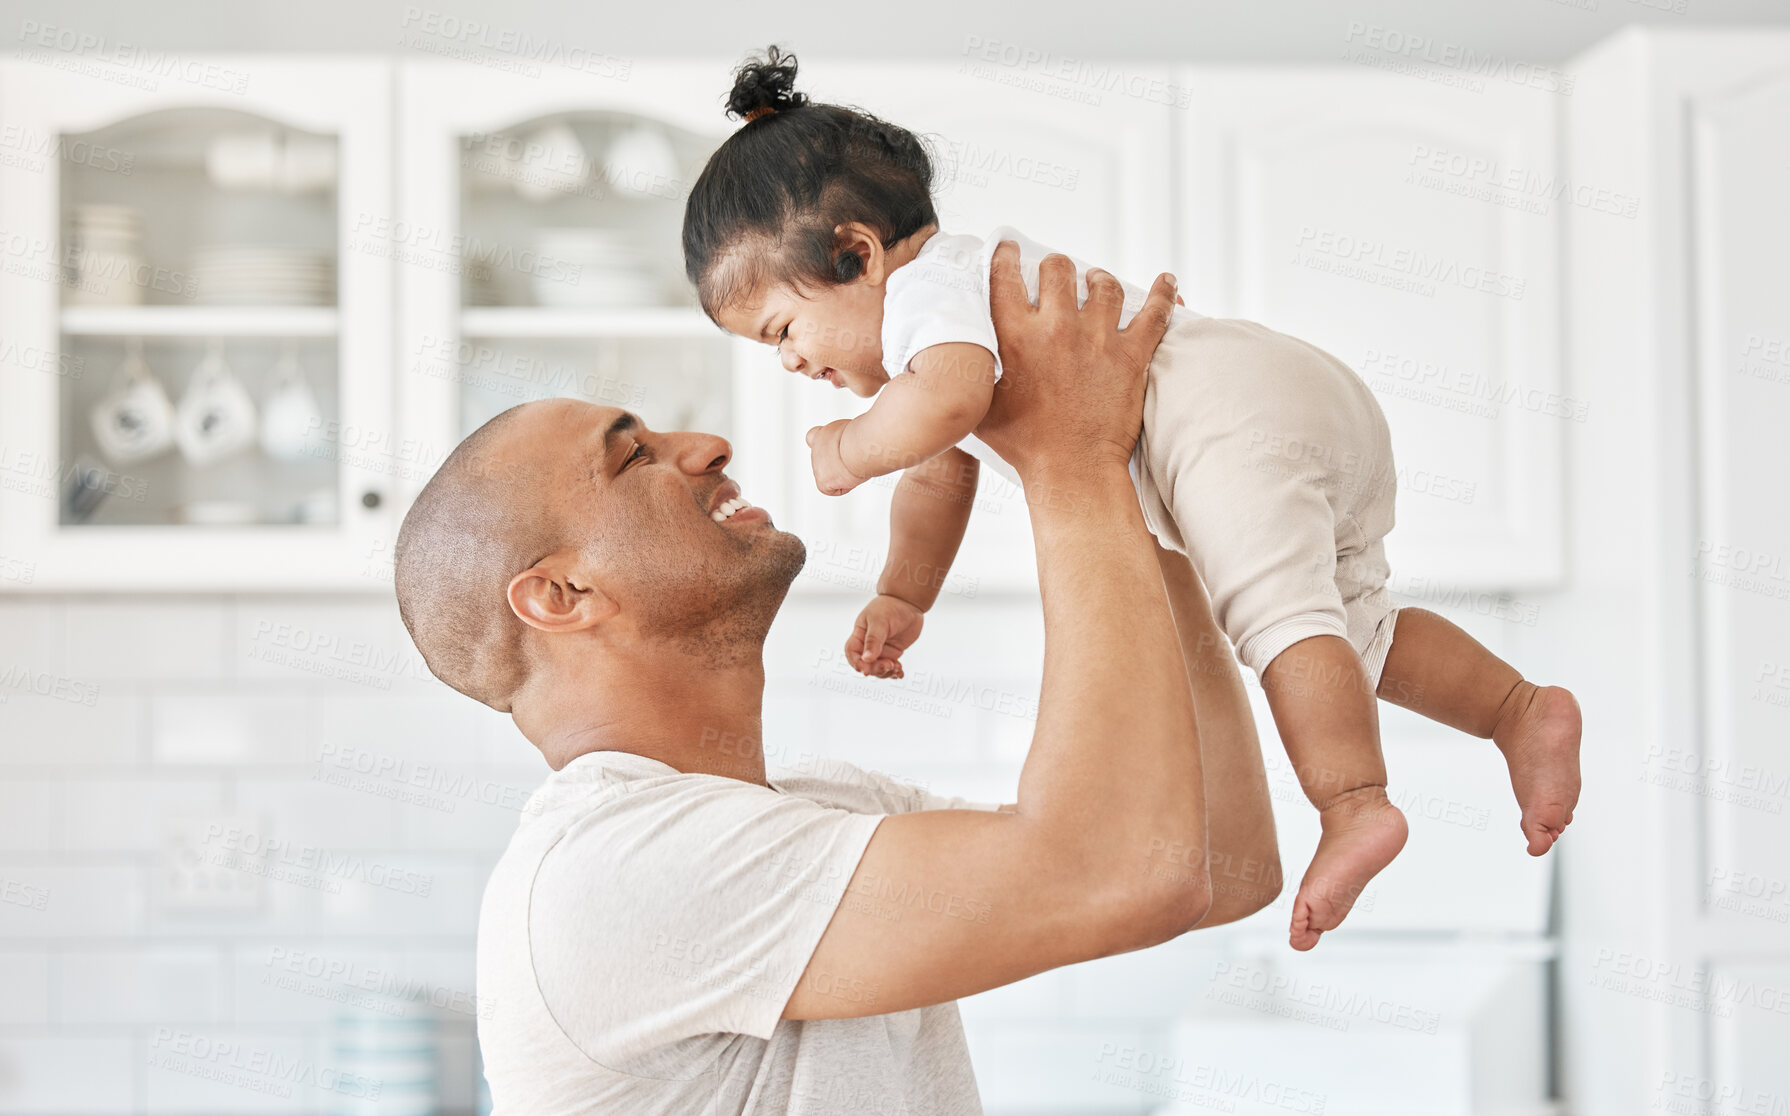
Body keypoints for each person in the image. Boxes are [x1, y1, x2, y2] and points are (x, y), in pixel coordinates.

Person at [682, 47, 1584, 950]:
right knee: (1353, 627)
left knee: (1277, 622)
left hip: (1225, 413)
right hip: (1292, 398)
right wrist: (904, 591)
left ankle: (1355, 802)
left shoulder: (930, 292)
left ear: (857, 253)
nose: (793, 362)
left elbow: (941, 413)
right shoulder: (945, 324)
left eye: (782, 331)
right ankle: (1514, 709)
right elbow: (941, 466)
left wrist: (849, 449)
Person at [394, 245, 1281, 1114]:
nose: (707, 445)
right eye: (634, 459)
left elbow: (1212, 864)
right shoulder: (612, 871)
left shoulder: (820, 810)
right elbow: (1121, 874)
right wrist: (1071, 457)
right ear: (560, 595)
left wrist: (1130, 487)